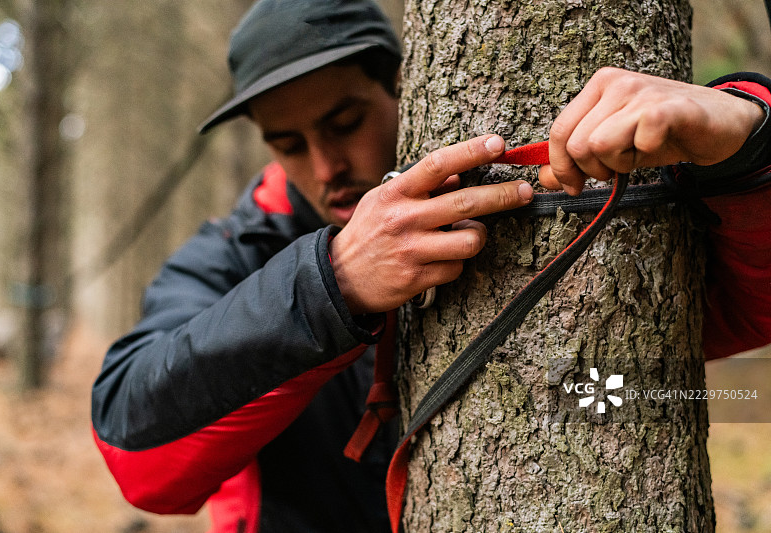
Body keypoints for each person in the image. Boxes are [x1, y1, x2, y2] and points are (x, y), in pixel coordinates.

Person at [91, 1, 771, 532]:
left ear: (406, 86)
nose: (324, 167)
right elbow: (139, 456)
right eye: (289, 144)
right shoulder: (240, 251)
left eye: (344, 121)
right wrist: (335, 285)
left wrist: (751, 144)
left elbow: (747, 310)